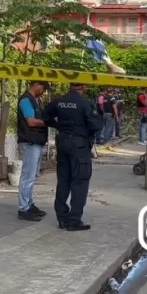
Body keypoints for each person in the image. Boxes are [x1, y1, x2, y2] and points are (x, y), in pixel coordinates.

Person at [45, 83, 103, 231]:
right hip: (79, 146)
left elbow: (45, 116)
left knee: (63, 180)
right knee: (80, 181)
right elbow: (96, 125)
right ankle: (74, 220)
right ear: (84, 86)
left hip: (63, 143)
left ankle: (62, 218)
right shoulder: (84, 103)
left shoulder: (59, 101)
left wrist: (59, 126)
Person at [16, 81, 51, 222]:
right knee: (27, 176)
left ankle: (29, 204)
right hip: (30, 142)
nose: (43, 92)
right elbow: (31, 122)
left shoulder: (35, 101)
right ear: (36, 84)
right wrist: (48, 121)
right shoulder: (26, 100)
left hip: (36, 142)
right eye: (43, 88)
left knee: (32, 176)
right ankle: (24, 208)